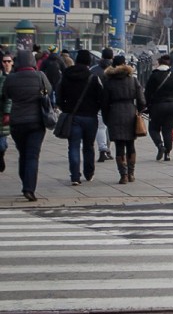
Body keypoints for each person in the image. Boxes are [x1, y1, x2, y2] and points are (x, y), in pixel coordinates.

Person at [1, 50, 53, 201]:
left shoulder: (11, 78)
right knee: (32, 156)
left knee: (23, 154)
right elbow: (48, 90)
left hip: (17, 122)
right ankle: (29, 188)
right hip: (36, 122)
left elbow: (6, 95)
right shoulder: (40, 76)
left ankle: (25, 182)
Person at [55, 50, 103, 186]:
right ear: (89, 62)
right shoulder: (93, 78)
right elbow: (101, 97)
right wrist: (96, 108)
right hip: (90, 116)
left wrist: (65, 107)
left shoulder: (66, 75)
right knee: (89, 146)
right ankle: (89, 173)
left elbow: (58, 95)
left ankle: (75, 176)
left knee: (73, 146)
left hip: (72, 116)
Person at [102, 55, 145, 184]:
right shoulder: (133, 80)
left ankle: (123, 175)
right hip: (130, 112)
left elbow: (104, 103)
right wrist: (139, 111)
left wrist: (106, 118)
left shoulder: (109, 82)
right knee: (131, 144)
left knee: (119, 145)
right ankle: (131, 173)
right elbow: (142, 100)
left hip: (114, 113)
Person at [144, 54, 173, 161]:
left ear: (159, 63)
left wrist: (146, 106)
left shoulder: (153, 76)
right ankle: (168, 153)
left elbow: (147, 93)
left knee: (153, 128)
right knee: (168, 130)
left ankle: (160, 145)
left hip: (157, 106)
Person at [90, 47, 114, 162]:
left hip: (97, 101)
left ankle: (103, 149)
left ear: (102, 56)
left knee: (101, 127)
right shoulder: (116, 69)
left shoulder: (94, 70)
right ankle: (108, 149)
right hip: (114, 102)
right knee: (109, 127)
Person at [0, 51, 13, 172]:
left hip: (3, 114)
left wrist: (7, 112)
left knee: (2, 143)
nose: (7, 63)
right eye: (4, 61)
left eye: (9, 61)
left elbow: (8, 98)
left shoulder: (11, 77)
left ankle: (1, 155)